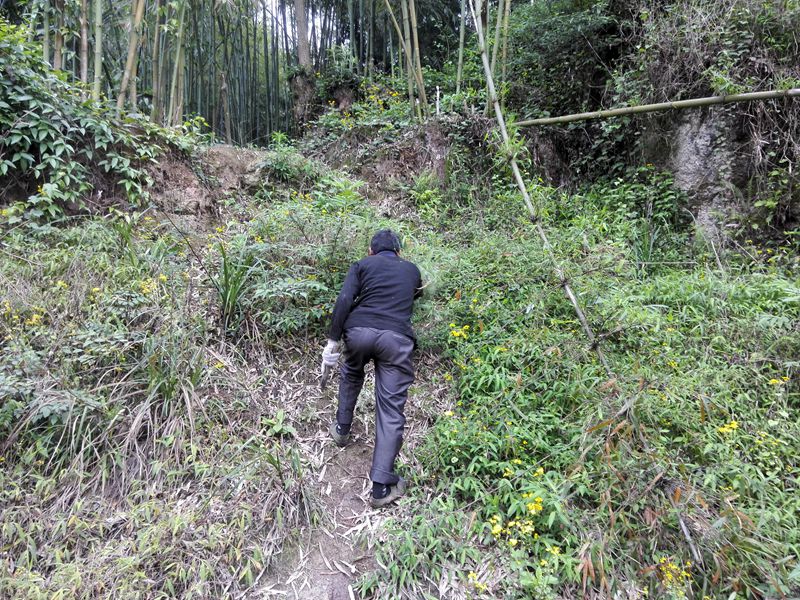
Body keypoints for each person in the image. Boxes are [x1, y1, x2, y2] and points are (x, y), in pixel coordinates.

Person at [321, 229, 423, 508]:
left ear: (370, 251)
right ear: (399, 252)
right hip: (396, 339)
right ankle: (381, 488)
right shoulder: (412, 270)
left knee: (352, 372)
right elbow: (414, 296)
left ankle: (342, 428)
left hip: (359, 332)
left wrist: (333, 341)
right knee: (390, 408)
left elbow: (344, 300)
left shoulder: (362, 265)